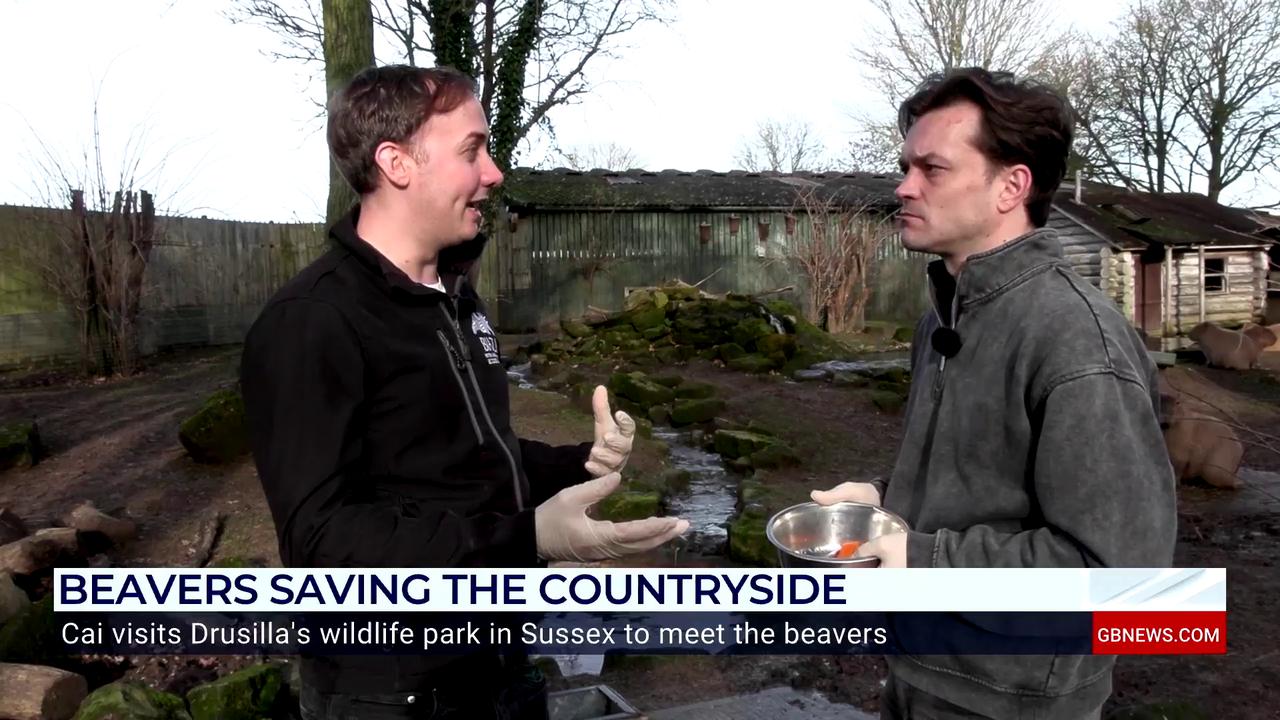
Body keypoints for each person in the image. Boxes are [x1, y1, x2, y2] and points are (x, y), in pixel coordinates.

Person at [240, 64, 688, 720]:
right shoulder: (312, 321)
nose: (495, 172)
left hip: (495, 660)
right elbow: (322, 541)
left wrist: (576, 463)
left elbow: (466, 455)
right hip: (395, 690)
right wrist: (528, 536)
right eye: (472, 150)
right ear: (396, 163)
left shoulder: (453, 298)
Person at [811, 67, 1176, 718]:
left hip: (1014, 699)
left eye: (933, 169)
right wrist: (882, 501)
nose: (904, 187)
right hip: (923, 668)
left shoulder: (1077, 343)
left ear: (1013, 185)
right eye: (906, 166)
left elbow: (1119, 575)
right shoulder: (945, 319)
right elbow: (981, 483)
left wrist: (914, 558)